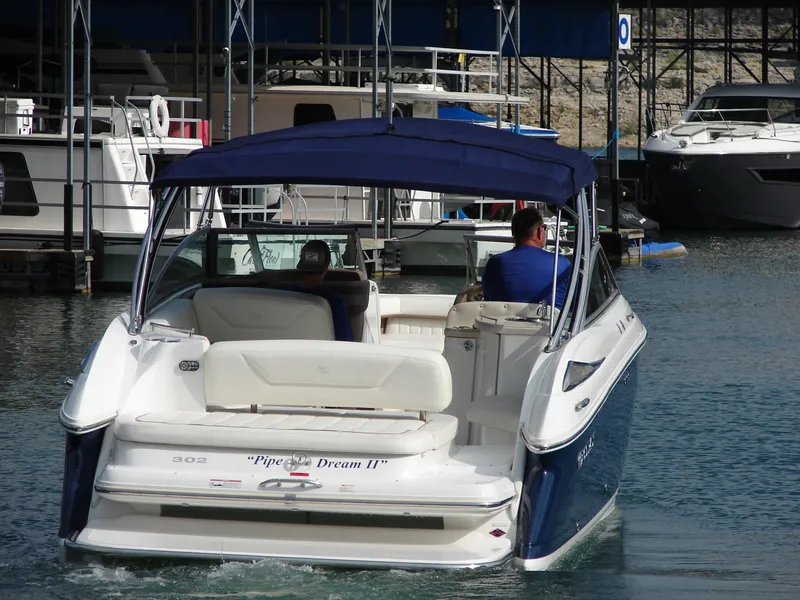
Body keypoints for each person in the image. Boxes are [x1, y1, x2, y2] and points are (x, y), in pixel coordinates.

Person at [481, 207, 571, 309]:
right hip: (551, 324)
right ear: (538, 232)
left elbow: (488, 298)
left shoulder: (495, 263)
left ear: (514, 234)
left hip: (504, 323)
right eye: (544, 228)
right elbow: (573, 300)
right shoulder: (561, 264)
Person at [293, 240, 354, 342]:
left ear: (299, 266)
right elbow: (345, 341)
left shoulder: (285, 295)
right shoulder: (334, 301)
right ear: (326, 266)